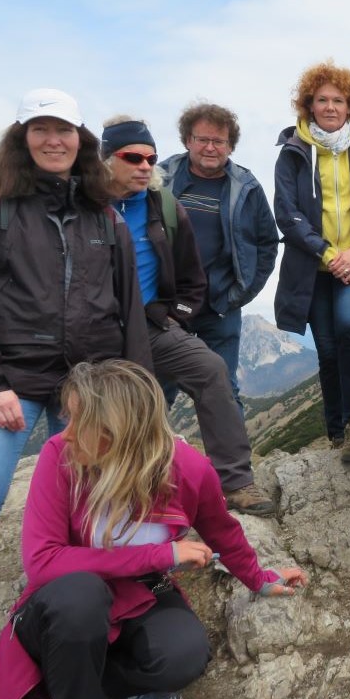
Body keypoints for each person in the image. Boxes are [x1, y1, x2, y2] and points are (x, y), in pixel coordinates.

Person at [0, 360, 307, 699]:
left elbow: (222, 531)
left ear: (122, 434)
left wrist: (259, 578)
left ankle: (73, 691)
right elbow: (42, 561)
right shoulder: (60, 456)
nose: (66, 433)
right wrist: (160, 554)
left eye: (80, 422)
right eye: (68, 417)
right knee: (82, 596)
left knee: (184, 656)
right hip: (67, 600)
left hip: (142, 592)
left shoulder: (189, 469)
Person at [0, 89, 151, 699]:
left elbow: (129, 306)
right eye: (41, 129)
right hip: (12, 380)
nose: (55, 140)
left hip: (91, 382)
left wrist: (136, 389)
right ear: (21, 137)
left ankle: (85, 619)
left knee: (94, 502)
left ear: (81, 139)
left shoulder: (103, 216)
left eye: (65, 130)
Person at [102, 117, 274, 517]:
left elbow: (192, 271)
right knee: (137, 401)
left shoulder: (162, 204)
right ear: (107, 160)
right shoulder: (84, 207)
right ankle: (130, 487)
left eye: (150, 158)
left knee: (212, 372)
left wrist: (177, 315)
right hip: (99, 331)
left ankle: (236, 482)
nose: (145, 166)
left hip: (156, 324)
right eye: (133, 157)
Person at [274, 62, 350, 463]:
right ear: (309, 105)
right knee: (326, 349)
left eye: (338, 100)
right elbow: (287, 213)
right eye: (322, 100)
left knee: (347, 327)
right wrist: (329, 254)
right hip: (312, 269)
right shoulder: (293, 152)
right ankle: (337, 431)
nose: (330, 107)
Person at [159, 102, 279, 407]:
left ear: (230, 146)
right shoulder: (160, 179)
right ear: (188, 140)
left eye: (219, 141)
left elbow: (267, 243)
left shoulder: (247, 187)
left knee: (223, 391)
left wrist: (239, 294)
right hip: (166, 305)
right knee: (155, 390)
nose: (210, 148)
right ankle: (150, 441)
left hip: (220, 306)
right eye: (202, 139)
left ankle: (230, 444)